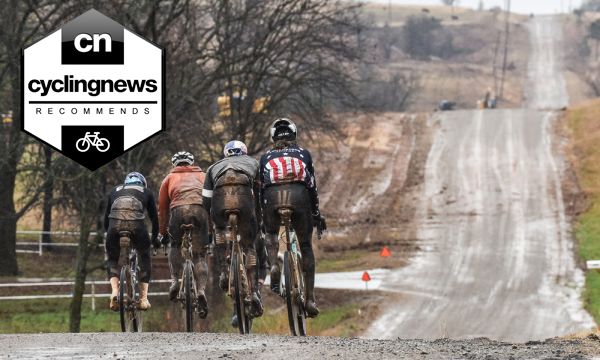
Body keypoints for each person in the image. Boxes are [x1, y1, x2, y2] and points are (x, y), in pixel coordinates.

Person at [259, 117, 326, 318]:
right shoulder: (304, 153)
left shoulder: (265, 157)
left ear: (273, 138)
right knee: (305, 246)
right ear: (294, 135)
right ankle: (311, 299)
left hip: (272, 197)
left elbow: (262, 188)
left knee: (270, 234)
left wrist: (263, 216)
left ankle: (273, 265)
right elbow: (312, 186)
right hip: (299, 196)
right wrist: (315, 213)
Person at [202, 140, 265, 322]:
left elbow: (206, 200)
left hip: (220, 204)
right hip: (245, 205)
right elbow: (259, 194)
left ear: (225, 154)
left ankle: (223, 270)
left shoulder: (213, 167)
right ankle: (253, 293)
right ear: (244, 152)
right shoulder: (253, 163)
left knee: (220, 230)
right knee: (249, 246)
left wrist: (212, 222)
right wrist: (258, 219)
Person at [158, 151, 210, 318]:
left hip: (177, 211)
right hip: (199, 210)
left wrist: (162, 232)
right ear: (191, 163)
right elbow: (211, 200)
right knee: (200, 255)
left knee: (174, 245)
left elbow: (163, 210)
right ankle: (201, 290)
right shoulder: (203, 176)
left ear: (175, 164)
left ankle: (174, 280)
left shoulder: (168, 179)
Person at [104, 172, 159, 311]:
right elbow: (154, 218)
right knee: (145, 256)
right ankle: (143, 299)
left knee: (112, 258)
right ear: (142, 183)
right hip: (137, 227)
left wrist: (110, 236)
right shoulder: (147, 192)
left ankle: (115, 292)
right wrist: (154, 239)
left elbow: (106, 218)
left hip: (114, 227)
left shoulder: (114, 190)